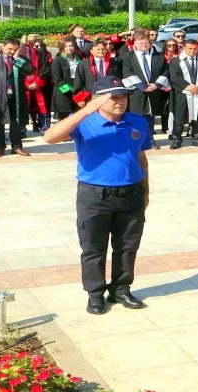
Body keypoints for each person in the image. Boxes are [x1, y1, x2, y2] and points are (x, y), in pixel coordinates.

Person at [43, 76, 151, 315]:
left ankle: (121, 289)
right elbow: (49, 137)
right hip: (94, 196)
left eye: (123, 97)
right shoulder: (84, 123)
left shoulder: (137, 122)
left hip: (131, 194)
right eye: (113, 97)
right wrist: (86, 110)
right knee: (93, 248)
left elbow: (141, 158)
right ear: (97, 100)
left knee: (127, 246)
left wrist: (146, 190)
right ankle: (95, 294)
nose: (120, 102)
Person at [121, 35, 169, 149]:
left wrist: (156, 85)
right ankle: (135, 140)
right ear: (135, 43)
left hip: (153, 91)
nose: (144, 45)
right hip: (136, 92)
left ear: (150, 43)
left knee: (150, 117)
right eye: (140, 43)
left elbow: (166, 71)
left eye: (146, 42)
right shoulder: (127, 57)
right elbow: (127, 72)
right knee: (135, 116)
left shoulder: (158, 56)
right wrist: (142, 87)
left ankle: (150, 139)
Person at [168, 39, 198, 149]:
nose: (193, 51)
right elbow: (174, 77)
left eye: (195, 49)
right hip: (182, 94)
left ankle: (197, 138)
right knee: (179, 116)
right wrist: (190, 88)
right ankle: (177, 139)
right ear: (184, 48)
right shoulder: (175, 61)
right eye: (190, 48)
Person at [73, 40, 122, 109]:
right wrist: (81, 98)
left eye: (103, 49)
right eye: (98, 49)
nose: (101, 51)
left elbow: (118, 78)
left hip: (110, 96)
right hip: (91, 96)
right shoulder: (84, 64)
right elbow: (79, 82)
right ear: (91, 51)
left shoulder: (114, 62)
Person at [26, 38, 53, 134]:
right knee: (32, 107)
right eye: (36, 46)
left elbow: (48, 70)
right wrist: (29, 84)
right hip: (29, 85)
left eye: (41, 46)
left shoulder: (47, 55)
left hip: (43, 85)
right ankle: (34, 123)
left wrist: (38, 82)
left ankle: (45, 128)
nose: (39, 48)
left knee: (45, 108)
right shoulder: (28, 55)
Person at [51, 38, 80, 122]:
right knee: (64, 118)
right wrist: (70, 89)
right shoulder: (58, 60)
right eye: (66, 46)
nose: (69, 48)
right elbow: (57, 78)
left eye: (71, 46)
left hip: (77, 86)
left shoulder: (79, 58)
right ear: (62, 48)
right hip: (63, 90)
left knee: (77, 115)